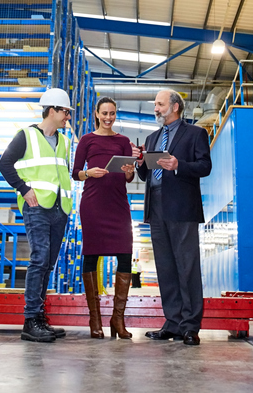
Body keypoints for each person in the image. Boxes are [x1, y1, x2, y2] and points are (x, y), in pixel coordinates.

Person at [136, 89, 212, 346]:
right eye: (155, 104)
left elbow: (205, 167)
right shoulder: (153, 137)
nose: (156, 108)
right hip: (156, 208)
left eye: (160, 104)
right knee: (166, 268)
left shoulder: (196, 134)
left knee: (187, 267)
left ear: (175, 107)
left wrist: (179, 165)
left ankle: (191, 326)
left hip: (182, 209)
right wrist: (139, 164)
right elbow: (146, 176)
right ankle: (173, 323)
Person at [0, 87, 74, 343]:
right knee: (39, 260)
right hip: (36, 208)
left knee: (48, 265)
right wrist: (24, 189)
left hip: (59, 209)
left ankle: (39, 318)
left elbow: (62, 174)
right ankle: (30, 320)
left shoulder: (63, 141)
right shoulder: (26, 136)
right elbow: (4, 164)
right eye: (65, 112)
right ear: (51, 110)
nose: (68, 117)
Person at [72, 96, 138, 339]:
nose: (109, 118)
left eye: (112, 113)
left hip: (118, 205)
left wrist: (130, 172)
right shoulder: (87, 140)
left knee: (125, 255)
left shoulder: (123, 141)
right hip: (93, 205)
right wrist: (87, 172)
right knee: (91, 255)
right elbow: (75, 173)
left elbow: (128, 177)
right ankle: (95, 319)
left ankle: (117, 320)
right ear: (96, 114)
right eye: (104, 113)